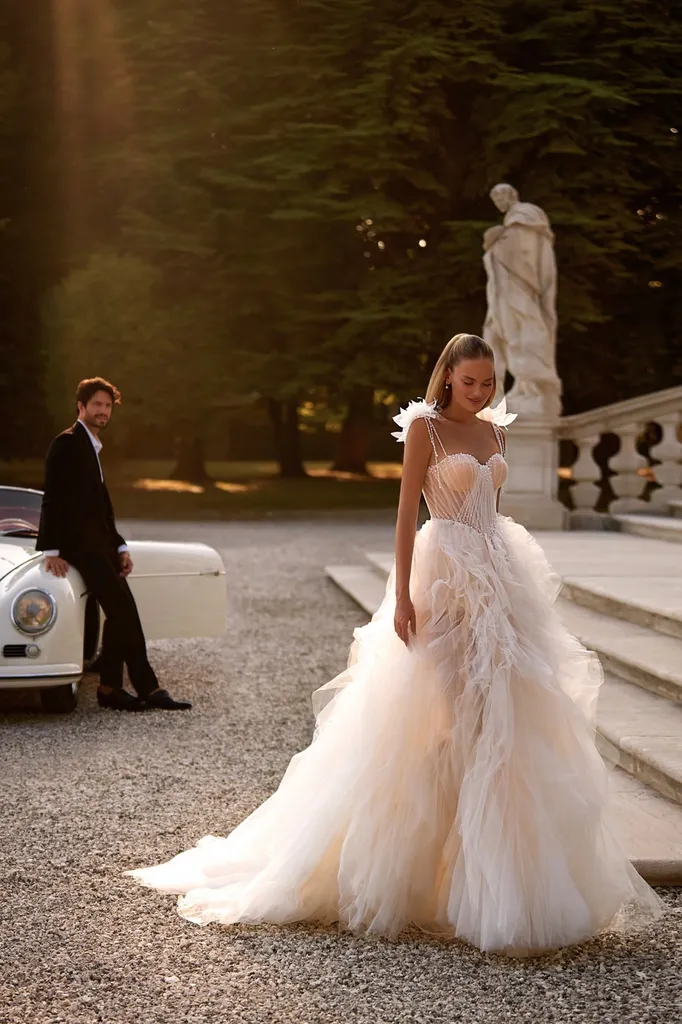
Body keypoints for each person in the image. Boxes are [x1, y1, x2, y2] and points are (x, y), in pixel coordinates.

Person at [127, 335, 662, 955]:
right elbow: (408, 515)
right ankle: (432, 873)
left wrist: (504, 581)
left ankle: (502, 876)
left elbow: (493, 506)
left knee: (507, 720)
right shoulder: (424, 431)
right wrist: (405, 596)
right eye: (470, 384)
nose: (481, 393)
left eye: (489, 384)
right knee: (446, 718)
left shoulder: (496, 432)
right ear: (447, 378)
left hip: (500, 579)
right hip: (443, 579)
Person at [38, 376, 192, 712]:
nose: (103, 411)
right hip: (80, 549)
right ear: (81, 406)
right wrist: (51, 551)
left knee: (124, 613)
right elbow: (53, 498)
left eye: (107, 406)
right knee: (122, 612)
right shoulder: (66, 443)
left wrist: (120, 546)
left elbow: (101, 509)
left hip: (101, 547)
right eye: (96, 404)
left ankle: (120, 689)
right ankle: (134, 688)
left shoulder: (92, 446)